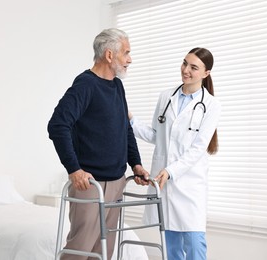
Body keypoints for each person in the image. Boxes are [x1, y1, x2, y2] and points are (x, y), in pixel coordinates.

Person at [48, 28, 149, 260]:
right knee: (80, 248)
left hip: (116, 180)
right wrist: (74, 169)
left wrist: (136, 164)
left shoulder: (117, 86)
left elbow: (125, 128)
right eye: (126, 53)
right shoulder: (86, 85)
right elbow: (57, 125)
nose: (130, 59)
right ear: (110, 55)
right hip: (90, 184)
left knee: (103, 252)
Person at [130, 47, 221, 260]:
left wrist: (171, 171)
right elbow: (156, 135)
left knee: (195, 244)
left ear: (206, 73)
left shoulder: (211, 105)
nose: (186, 70)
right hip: (164, 182)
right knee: (170, 245)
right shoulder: (166, 97)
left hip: (189, 183)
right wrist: (131, 121)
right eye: (184, 63)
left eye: (193, 67)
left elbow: (198, 148)